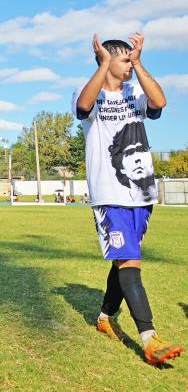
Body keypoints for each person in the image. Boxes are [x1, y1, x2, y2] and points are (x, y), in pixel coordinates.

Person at [72, 33, 182, 365]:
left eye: (131, 59)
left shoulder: (136, 92)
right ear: (105, 61)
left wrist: (140, 62)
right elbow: (82, 107)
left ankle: (105, 318)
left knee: (125, 258)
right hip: (110, 193)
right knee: (130, 263)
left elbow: (160, 103)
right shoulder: (88, 90)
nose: (129, 65)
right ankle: (149, 339)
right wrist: (105, 64)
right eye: (125, 59)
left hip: (142, 192)